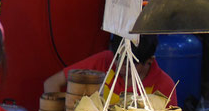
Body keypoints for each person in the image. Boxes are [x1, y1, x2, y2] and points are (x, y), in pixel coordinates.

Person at [42, 34, 177, 105]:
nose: (121, 66)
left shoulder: (163, 86)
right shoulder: (105, 61)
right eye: (118, 59)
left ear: (149, 61)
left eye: (129, 64)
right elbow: (51, 83)